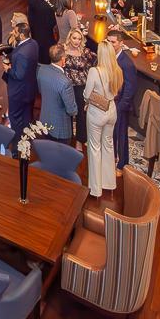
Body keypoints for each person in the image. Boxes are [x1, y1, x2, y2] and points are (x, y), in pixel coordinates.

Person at [84, 43, 123, 197]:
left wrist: (88, 100)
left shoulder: (94, 71)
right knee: (108, 146)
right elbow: (117, 91)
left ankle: (95, 189)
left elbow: (87, 94)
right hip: (112, 110)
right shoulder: (117, 70)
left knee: (94, 148)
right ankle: (109, 183)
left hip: (97, 112)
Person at [107, 30, 138, 170]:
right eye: (108, 41)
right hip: (110, 102)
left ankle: (122, 164)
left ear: (121, 43)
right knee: (110, 133)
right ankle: (111, 158)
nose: (110, 44)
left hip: (120, 105)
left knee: (121, 136)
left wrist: (120, 107)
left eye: (113, 42)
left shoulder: (127, 64)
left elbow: (130, 89)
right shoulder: (108, 57)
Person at [2, 23, 38, 139]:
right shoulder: (33, 43)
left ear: (22, 35)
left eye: (15, 32)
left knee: (15, 119)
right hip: (30, 89)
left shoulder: (22, 53)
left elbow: (19, 74)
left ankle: (17, 142)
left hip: (18, 92)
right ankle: (25, 140)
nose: (13, 33)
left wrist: (8, 69)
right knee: (26, 117)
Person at [36, 44, 77, 143]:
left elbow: (41, 91)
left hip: (44, 121)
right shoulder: (65, 82)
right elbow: (72, 110)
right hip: (60, 129)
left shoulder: (41, 70)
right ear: (63, 59)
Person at [63, 29, 96, 145]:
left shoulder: (85, 52)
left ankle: (80, 140)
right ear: (69, 38)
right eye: (74, 38)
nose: (77, 41)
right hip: (66, 86)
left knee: (81, 113)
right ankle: (68, 137)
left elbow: (96, 61)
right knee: (67, 112)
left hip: (81, 86)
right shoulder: (64, 51)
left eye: (79, 38)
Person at [29, 0, 58, 64]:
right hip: (46, 36)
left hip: (37, 33)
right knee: (46, 56)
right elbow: (52, 23)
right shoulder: (48, 8)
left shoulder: (37, 2)